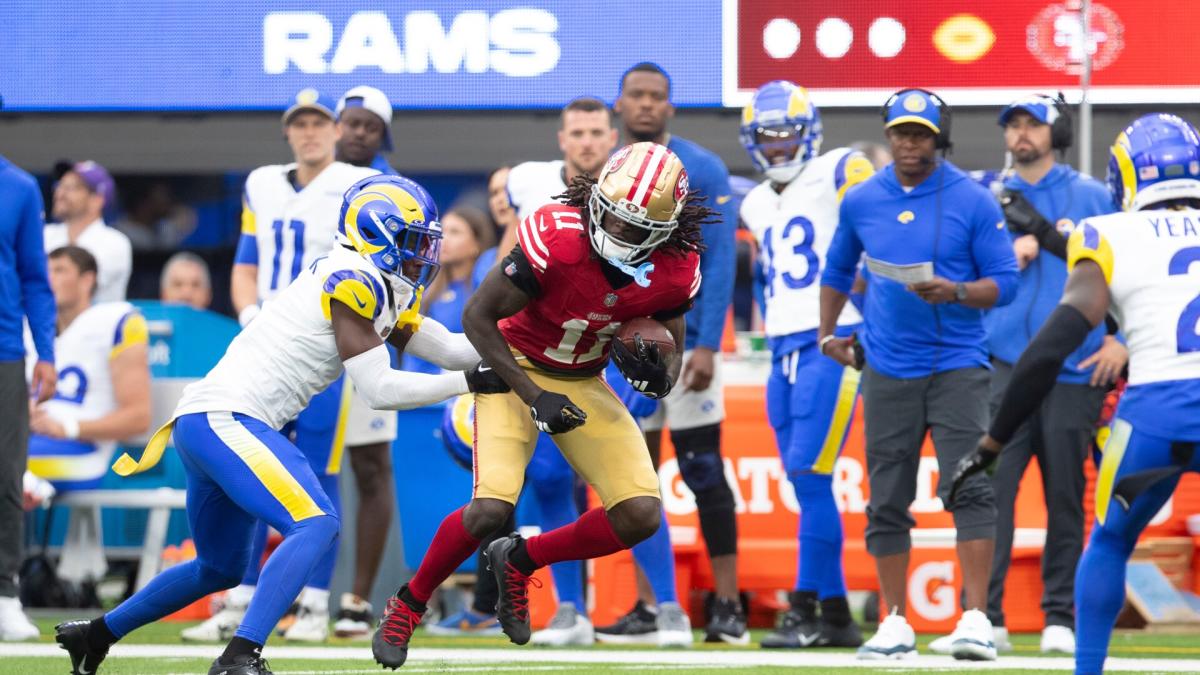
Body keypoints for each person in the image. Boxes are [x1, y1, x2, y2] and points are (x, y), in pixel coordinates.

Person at [54, 174, 510, 675]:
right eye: (410, 240)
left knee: (220, 567)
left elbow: (447, 347)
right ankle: (239, 655)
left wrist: (519, 347)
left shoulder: (372, 282)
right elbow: (381, 390)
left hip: (206, 422)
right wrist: (470, 383)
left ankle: (96, 635)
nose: (422, 253)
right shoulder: (353, 281)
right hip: (229, 418)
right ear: (374, 233)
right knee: (316, 523)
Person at [371, 142, 705, 669]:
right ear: (597, 199)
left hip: (582, 377)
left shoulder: (675, 265)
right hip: (513, 368)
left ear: (663, 233)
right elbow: (478, 319)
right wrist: (535, 396)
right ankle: (409, 603)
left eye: (635, 230)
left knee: (641, 514)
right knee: (490, 509)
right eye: (613, 219)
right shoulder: (557, 235)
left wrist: (663, 371)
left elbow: (673, 330)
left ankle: (523, 559)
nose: (618, 234)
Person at [949, 113, 1200, 675]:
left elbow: (1047, 351)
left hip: (1155, 415)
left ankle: (1087, 668)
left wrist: (991, 442)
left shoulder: (1107, 232)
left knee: (1110, 541)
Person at [819, 88, 1019, 661]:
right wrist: (827, 335)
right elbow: (836, 270)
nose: (911, 143)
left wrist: (955, 290)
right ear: (888, 135)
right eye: (902, 132)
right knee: (886, 497)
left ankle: (977, 617)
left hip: (958, 365)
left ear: (941, 138)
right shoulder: (862, 200)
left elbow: (1005, 282)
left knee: (970, 484)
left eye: (922, 134)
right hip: (886, 366)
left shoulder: (973, 199)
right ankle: (894, 621)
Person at [931, 94, 1123, 657]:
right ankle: (984, 616)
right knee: (991, 492)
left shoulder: (1089, 193)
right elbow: (957, 276)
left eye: (1032, 123)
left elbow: (1128, 273)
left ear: (1055, 131)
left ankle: (1059, 616)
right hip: (1003, 362)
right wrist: (1003, 259)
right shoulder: (986, 196)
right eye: (1012, 124)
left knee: (1066, 494)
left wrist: (1122, 338)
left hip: (1072, 367)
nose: (1021, 134)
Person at [186, 88, 379, 644]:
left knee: (319, 469)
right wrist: (251, 316)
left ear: (337, 129)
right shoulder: (262, 183)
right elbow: (246, 263)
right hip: (267, 348)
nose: (310, 132)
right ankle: (242, 595)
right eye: (300, 123)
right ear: (287, 130)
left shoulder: (356, 185)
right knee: (250, 468)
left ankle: (315, 602)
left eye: (320, 122)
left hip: (322, 343)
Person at [599, 61, 740, 646]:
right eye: (637, 95)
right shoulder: (606, 166)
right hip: (623, 341)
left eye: (657, 96)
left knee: (703, 469)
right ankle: (651, 604)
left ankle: (728, 605)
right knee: (636, 474)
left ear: (671, 106)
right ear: (620, 102)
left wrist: (706, 343)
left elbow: (722, 258)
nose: (647, 105)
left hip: (682, 338)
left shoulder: (702, 167)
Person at [738, 80, 873, 649]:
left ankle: (805, 610)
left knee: (811, 475)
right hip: (782, 347)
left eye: (785, 135)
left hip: (833, 339)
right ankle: (838, 614)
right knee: (803, 480)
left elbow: (880, 226)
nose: (776, 148)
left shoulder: (842, 167)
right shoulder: (755, 200)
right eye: (766, 138)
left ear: (808, 133)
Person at [26, 246, 151, 586]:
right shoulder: (30, 330)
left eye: (60, 271)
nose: (48, 279)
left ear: (88, 279)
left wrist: (66, 426)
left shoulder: (116, 322)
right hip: (32, 447)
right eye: (46, 271)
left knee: (12, 469)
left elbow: (139, 418)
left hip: (86, 453)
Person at [328, 84, 404, 640]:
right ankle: (284, 595)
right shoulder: (297, 183)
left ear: (383, 135)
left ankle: (355, 600)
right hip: (309, 344)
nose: (357, 133)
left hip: (367, 338)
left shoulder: (394, 192)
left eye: (368, 125)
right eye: (350, 122)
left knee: (370, 467)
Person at [0, 153, 56, 641]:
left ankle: (3, 594)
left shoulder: (19, 187)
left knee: (6, 473)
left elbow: (34, 276)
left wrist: (46, 351)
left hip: (4, 350)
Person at [44, 160, 132, 303]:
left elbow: (73, 288)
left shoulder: (115, 242)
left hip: (98, 324)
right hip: (47, 324)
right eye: (60, 185)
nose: (60, 193)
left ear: (96, 200)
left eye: (71, 187)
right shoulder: (45, 234)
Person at [336, 85, 398, 176]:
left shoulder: (391, 186)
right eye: (353, 124)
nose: (360, 133)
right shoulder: (311, 175)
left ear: (383, 136)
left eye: (372, 128)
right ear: (335, 127)